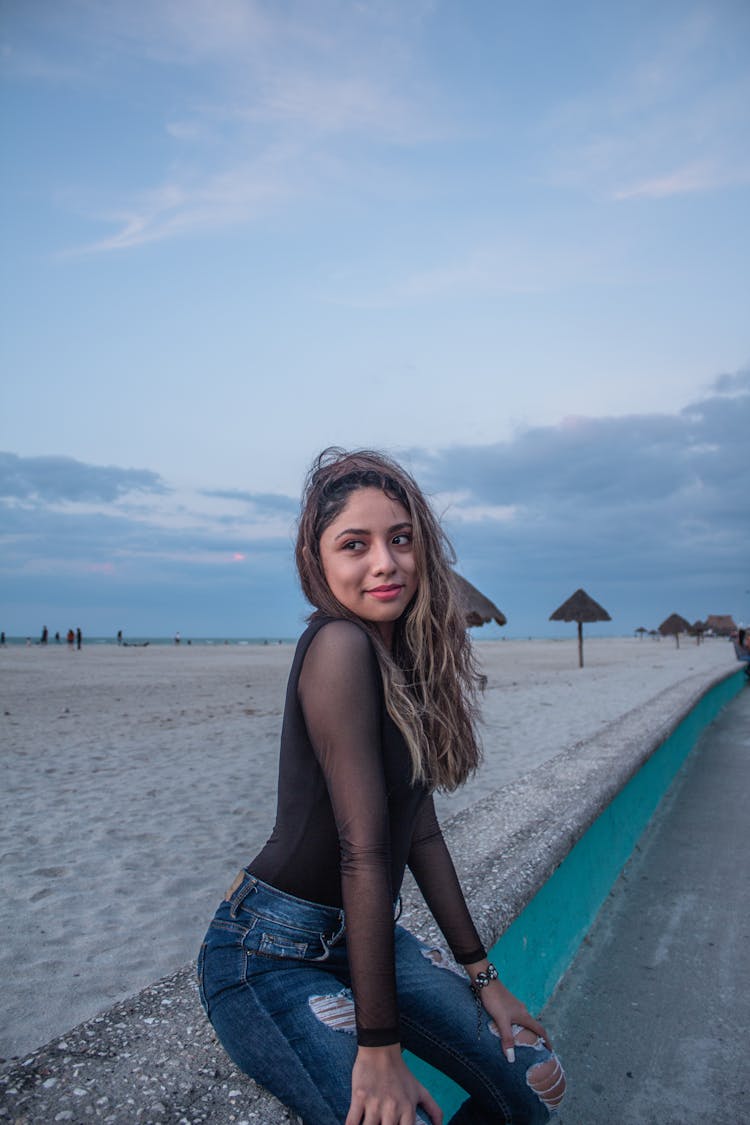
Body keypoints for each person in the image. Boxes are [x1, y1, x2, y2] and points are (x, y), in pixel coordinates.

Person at [198, 449, 565, 1124]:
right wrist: (379, 1046)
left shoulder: (402, 657)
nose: (385, 562)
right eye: (355, 544)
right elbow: (363, 851)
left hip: (365, 939)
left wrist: (486, 978)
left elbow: (418, 829)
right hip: (268, 953)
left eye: (400, 538)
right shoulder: (338, 644)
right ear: (318, 561)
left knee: (535, 1076)